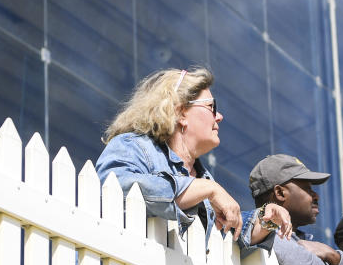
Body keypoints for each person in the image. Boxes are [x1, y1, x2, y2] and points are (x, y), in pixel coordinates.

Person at [95, 67, 292, 250]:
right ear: (181, 112)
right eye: (211, 107)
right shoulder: (135, 145)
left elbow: (232, 232)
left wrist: (267, 218)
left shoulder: (205, 181)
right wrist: (208, 189)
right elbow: (113, 185)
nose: (220, 116)